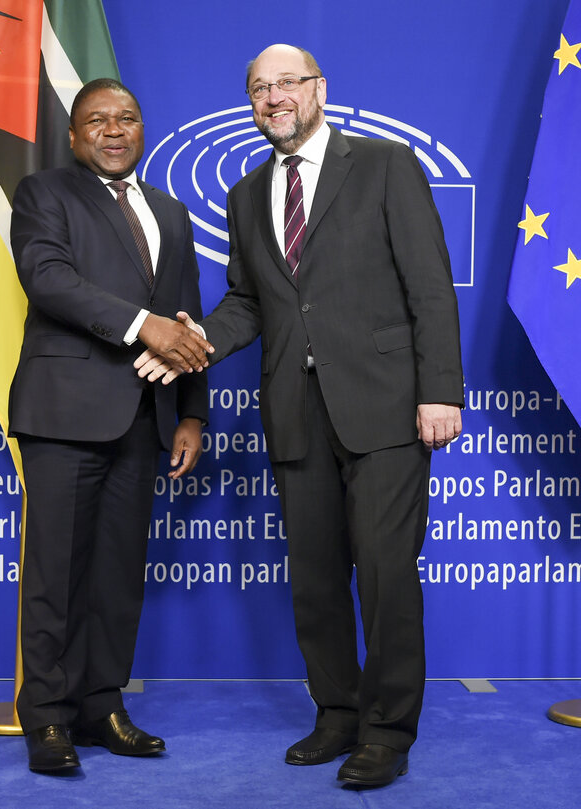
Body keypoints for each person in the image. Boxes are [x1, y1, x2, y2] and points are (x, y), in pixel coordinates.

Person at [137, 44, 464, 787]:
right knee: (315, 579)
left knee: (383, 575)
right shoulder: (247, 194)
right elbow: (251, 302)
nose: (272, 96)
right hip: (294, 409)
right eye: (259, 88)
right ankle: (336, 713)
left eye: (286, 82)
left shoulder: (386, 165)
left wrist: (441, 389)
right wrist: (193, 343)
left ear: (319, 89)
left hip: (384, 408)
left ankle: (386, 729)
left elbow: (431, 287)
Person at [8, 77, 213, 775]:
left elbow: (185, 319)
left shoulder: (170, 210)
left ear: (142, 129)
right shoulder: (43, 195)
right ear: (74, 136)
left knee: (118, 575)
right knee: (57, 574)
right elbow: (48, 278)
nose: (115, 129)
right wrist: (140, 325)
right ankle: (48, 718)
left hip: (143, 418)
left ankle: (102, 706)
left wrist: (191, 411)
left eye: (127, 117)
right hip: (64, 413)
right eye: (98, 120)